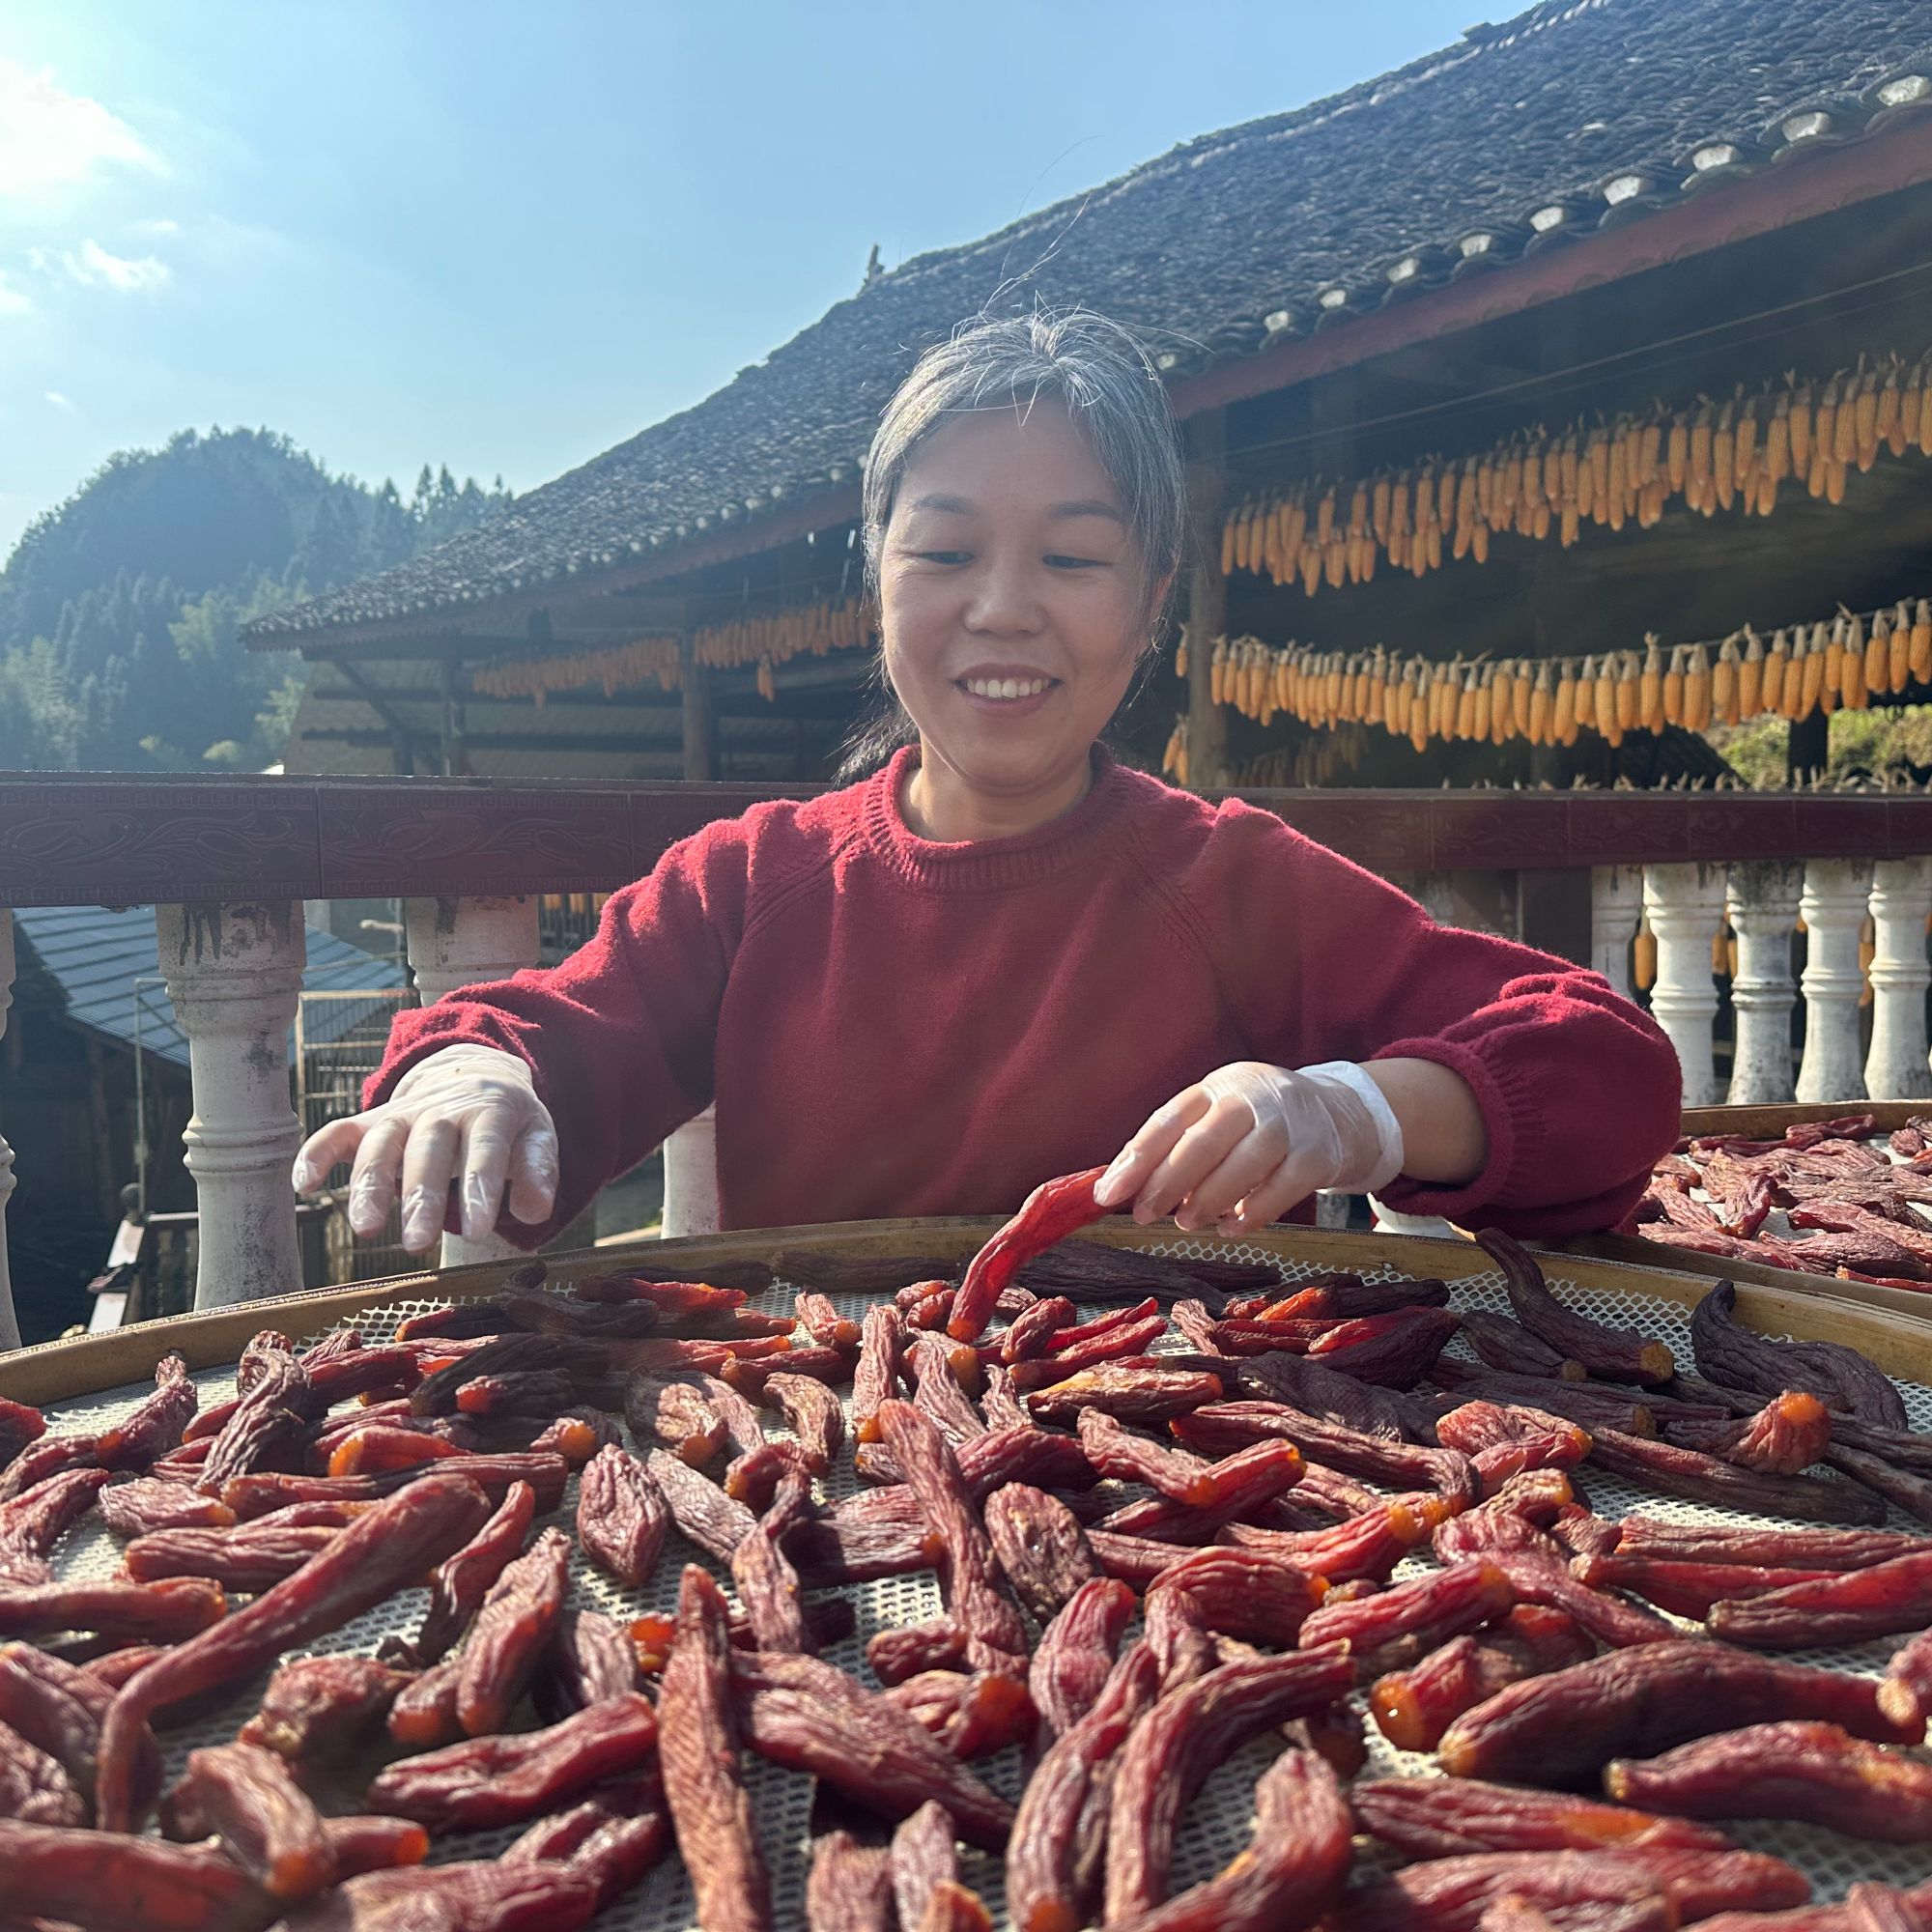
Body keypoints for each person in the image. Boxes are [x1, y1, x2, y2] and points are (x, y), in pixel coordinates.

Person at [293, 310, 1681, 1256]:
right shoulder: (753, 884)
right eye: (946, 553)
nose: (1004, 611)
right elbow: (542, 1045)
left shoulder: (1231, 882)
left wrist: (1351, 1115)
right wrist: (472, 1076)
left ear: (1150, 607)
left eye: (1073, 561)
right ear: (876, 585)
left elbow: (1608, 1071)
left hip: (1169, 1508)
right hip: (830, 1499)